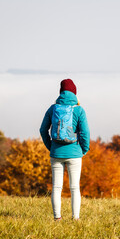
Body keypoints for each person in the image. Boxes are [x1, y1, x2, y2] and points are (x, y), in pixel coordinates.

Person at [40, 79, 90, 221]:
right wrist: (83, 150)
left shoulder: (52, 109)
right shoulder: (79, 110)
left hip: (56, 153)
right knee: (74, 188)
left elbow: (43, 130)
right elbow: (85, 133)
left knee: (56, 187)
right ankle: (75, 218)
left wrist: (51, 147)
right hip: (74, 153)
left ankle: (57, 218)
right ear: (74, 93)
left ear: (60, 92)